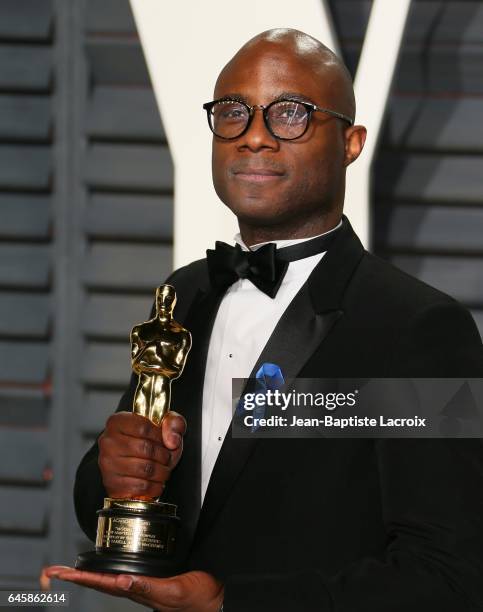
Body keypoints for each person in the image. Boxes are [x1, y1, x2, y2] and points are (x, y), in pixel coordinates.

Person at [45, 28, 483, 611]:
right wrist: (113, 470)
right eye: (233, 112)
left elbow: (448, 579)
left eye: (291, 114)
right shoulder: (186, 293)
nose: (254, 137)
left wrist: (231, 604)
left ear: (351, 143)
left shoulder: (418, 328)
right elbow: (125, 498)